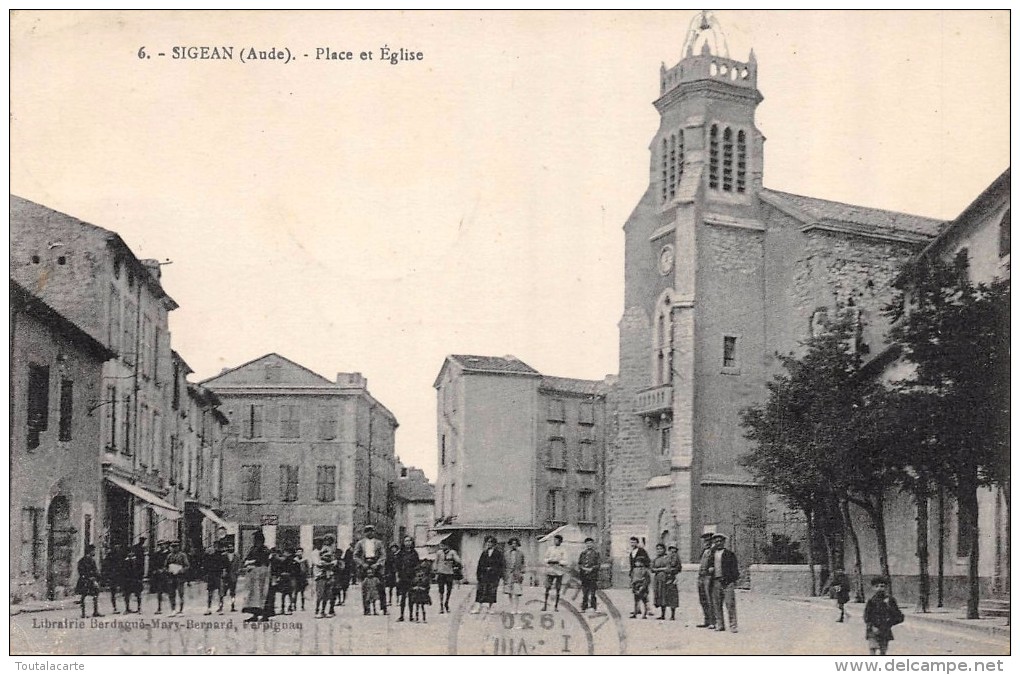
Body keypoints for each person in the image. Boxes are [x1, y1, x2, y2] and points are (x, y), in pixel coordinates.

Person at [864, 577, 904, 656]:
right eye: (877, 586)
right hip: (873, 629)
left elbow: (899, 616)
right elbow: (867, 616)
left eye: (882, 586)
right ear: (873, 588)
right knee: (873, 648)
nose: (879, 588)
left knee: (883, 650)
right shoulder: (871, 601)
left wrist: (889, 623)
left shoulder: (890, 600)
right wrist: (871, 626)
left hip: (885, 629)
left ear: (886, 588)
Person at [708, 533, 739, 633]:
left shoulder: (730, 554)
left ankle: (733, 625)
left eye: (720, 541)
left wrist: (731, 581)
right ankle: (720, 624)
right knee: (717, 604)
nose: (718, 543)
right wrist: (710, 569)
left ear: (724, 542)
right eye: (716, 541)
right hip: (716, 581)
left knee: (730, 604)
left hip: (727, 582)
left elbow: (735, 570)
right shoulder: (711, 554)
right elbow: (708, 566)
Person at [353, 525, 387, 615]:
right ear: (364, 532)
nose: (369, 533)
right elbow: (355, 555)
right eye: (367, 531)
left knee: (381, 586)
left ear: (374, 532)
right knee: (365, 587)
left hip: (376, 565)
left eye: (371, 531)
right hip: (365, 565)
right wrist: (362, 564)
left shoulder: (379, 543)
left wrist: (378, 564)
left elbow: (383, 555)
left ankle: (384, 608)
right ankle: (367, 609)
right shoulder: (360, 543)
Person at [242, 530, 271, 622]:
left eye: (256, 540)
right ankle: (255, 615)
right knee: (254, 595)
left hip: (262, 575)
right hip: (253, 575)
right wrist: (248, 562)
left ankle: (265, 615)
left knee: (262, 594)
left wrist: (252, 562)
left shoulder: (265, 549)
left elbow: (263, 560)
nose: (254, 541)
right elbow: (247, 558)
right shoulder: (252, 549)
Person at [472, 536, 504, 614]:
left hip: (493, 576)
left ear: (494, 544)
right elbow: (479, 564)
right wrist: (479, 575)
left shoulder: (498, 553)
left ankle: (491, 608)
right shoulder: (484, 553)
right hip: (484, 575)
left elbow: (500, 565)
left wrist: (496, 573)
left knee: (492, 592)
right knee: (480, 591)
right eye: (488, 542)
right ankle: (477, 608)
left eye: (491, 542)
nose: (489, 544)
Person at [651, 543, 681, 620]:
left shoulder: (668, 558)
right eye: (657, 549)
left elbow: (670, 568)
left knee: (671, 596)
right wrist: (662, 569)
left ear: (664, 549)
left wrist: (659, 569)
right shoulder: (656, 559)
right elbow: (652, 569)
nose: (659, 550)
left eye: (661, 549)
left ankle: (672, 615)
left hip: (668, 578)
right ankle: (662, 614)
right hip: (658, 580)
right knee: (661, 596)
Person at [394, 535, 420, 622]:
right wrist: (398, 576)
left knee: (411, 597)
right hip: (403, 577)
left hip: (411, 577)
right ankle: (401, 615)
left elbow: (417, 566)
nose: (408, 543)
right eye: (406, 541)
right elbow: (397, 566)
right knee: (403, 597)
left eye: (409, 541)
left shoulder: (414, 553)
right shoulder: (400, 553)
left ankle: (411, 616)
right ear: (403, 542)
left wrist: (416, 577)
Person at [75, 544, 102, 618]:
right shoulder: (83, 561)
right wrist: (89, 577)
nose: (94, 552)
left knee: (95, 594)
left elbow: (95, 570)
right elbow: (81, 570)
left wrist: (96, 577)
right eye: (93, 551)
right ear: (90, 551)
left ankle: (94, 612)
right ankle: (84, 613)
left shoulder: (91, 560)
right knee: (84, 596)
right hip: (85, 580)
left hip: (90, 579)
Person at [434, 540, 461, 614]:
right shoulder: (439, 553)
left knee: (449, 590)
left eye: (444, 545)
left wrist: (454, 560)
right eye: (441, 545)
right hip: (441, 573)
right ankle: (441, 605)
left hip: (449, 573)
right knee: (441, 590)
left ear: (447, 545)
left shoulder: (452, 552)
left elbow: (458, 561)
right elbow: (436, 562)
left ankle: (446, 603)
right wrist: (436, 571)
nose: (442, 547)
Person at [696, 532, 716, 629]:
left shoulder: (714, 551)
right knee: (702, 599)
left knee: (710, 599)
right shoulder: (704, 551)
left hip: (709, 577)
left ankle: (713, 621)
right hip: (701, 576)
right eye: (705, 541)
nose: (707, 543)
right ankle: (706, 620)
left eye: (709, 540)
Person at [543, 534, 568, 611]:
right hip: (550, 570)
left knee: (558, 589)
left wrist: (559, 561)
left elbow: (566, 561)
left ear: (560, 541)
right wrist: (549, 560)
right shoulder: (550, 549)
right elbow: (545, 558)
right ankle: (545, 605)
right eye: (554, 540)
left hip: (559, 571)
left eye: (557, 540)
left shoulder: (563, 550)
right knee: (547, 588)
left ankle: (556, 606)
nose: (555, 541)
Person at [165, 541, 190, 616]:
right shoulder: (169, 556)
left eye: (176, 547)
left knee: (180, 594)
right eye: (172, 547)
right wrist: (168, 570)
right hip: (171, 577)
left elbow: (187, 565)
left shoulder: (182, 555)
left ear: (178, 547)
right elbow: (166, 565)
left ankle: (181, 610)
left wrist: (181, 570)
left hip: (180, 577)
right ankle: (173, 610)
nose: (174, 548)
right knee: (171, 594)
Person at [503, 537, 526, 615]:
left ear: (517, 545)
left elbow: (523, 564)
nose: (514, 545)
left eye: (515, 544)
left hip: (517, 574)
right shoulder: (506, 553)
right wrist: (504, 574)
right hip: (508, 574)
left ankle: (517, 608)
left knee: (517, 592)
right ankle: (512, 608)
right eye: (512, 543)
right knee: (509, 592)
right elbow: (503, 565)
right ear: (510, 544)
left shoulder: (521, 553)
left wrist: (522, 573)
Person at [577, 537, 601, 614]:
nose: (589, 545)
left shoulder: (596, 553)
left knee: (593, 592)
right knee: (585, 592)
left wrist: (592, 569)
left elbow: (598, 564)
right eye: (587, 543)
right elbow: (579, 563)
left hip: (592, 575)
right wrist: (582, 568)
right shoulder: (583, 553)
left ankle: (593, 607)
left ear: (593, 544)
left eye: (590, 543)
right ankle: (584, 607)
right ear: (585, 544)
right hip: (584, 575)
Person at [122, 540, 146, 614]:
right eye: (129, 552)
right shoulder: (125, 562)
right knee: (126, 595)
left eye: (132, 552)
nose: (131, 554)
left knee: (138, 594)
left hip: (136, 579)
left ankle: (139, 608)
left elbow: (141, 569)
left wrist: (140, 578)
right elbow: (123, 571)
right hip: (128, 580)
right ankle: (127, 608)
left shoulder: (137, 561)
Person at [203, 543, 227, 615]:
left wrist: (224, 572)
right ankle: (209, 608)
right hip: (211, 575)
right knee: (210, 593)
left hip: (218, 575)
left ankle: (221, 608)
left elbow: (225, 565)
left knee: (220, 593)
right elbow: (205, 565)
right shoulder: (209, 556)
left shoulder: (221, 555)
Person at [314, 547, 338, 618]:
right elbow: (321, 566)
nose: (327, 557)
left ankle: (323, 611)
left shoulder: (331, 563)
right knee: (320, 596)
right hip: (320, 580)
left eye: (329, 556)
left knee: (326, 596)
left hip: (328, 579)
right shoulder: (319, 563)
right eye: (326, 556)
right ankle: (317, 610)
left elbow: (333, 565)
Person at [149, 541, 170, 615]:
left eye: (163, 545)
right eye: (160, 545)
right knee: (159, 591)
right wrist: (157, 570)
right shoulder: (157, 554)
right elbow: (153, 564)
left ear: (165, 545)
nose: (161, 546)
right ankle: (159, 607)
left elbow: (171, 563)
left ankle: (172, 607)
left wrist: (165, 569)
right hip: (159, 575)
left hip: (167, 574)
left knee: (170, 591)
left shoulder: (169, 554)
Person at [102, 544, 124, 615]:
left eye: (118, 546)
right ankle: (115, 608)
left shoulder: (120, 555)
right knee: (113, 592)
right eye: (116, 546)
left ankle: (125, 607)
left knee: (124, 592)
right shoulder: (110, 556)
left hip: (119, 576)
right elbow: (106, 566)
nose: (117, 548)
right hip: (113, 576)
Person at [221, 540, 240, 613]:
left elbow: (238, 565)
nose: (230, 548)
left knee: (233, 592)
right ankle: (221, 606)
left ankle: (233, 606)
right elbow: (222, 565)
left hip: (233, 576)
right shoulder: (224, 555)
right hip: (226, 576)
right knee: (223, 592)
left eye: (231, 546)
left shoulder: (237, 556)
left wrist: (237, 572)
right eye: (229, 547)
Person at [294, 547, 309, 612]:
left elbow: (307, 568)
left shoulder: (305, 560)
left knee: (303, 593)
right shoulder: (295, 560)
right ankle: (294, 605)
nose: (299, 553)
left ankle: (302, 606)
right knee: (295, 592)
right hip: (297, 577)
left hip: (303, 577)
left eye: (300, 552)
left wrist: (308, 576)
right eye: (298, 552)